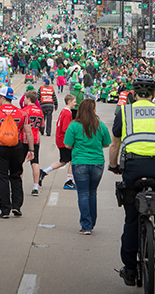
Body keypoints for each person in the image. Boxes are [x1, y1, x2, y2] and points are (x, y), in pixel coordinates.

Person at [109, 75, 155, 287]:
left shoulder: (124, 111)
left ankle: (130, 270)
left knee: (131, 217)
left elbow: (115, 145)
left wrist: (113, 166)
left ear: (134, 94)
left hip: (133, 167)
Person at [0, 86, 34, 218]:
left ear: (1, 97)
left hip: (1, 147)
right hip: (17, 147)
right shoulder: (22, 113)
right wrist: (31, 149)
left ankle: (5, 210)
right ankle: (17, 206)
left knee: (2, 178)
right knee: (16, 176)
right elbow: (28, 133)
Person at [64, 98, 111, 234]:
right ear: (94, 110)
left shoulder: (74, 125)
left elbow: (67, 144)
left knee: (83, 194)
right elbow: (107, 143)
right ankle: (92, 222)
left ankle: (86, 225)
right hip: (97, 163)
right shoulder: (100, 125)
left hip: (80, 162)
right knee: (92, 193)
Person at [39, 94, 77, 190]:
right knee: (72, 160)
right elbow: (65, 128)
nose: (75, 104)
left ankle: (44, 171)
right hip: (64, 140)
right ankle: (68, 181)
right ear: (69, 102)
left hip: (60, 139)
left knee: (63, 161)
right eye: (74, 102)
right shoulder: (68, 113)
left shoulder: (64, 111)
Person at [21, 90, 44, 196]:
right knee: (35, 163)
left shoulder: (24, 111)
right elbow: (42, 125)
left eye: (25, 98)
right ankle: (35, 186)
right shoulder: (39, 111)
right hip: (36, 139)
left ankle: (18, 185)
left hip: (24, 139)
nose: (24, 100)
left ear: (29, 99)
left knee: (19, 163)